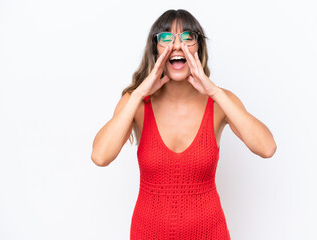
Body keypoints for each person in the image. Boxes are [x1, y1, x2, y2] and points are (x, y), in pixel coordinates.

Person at [91, 9, 277, 240]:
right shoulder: (136, 103)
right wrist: (138, 93)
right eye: (166, 38)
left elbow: (267, 148)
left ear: (198, 47)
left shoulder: (219, 102)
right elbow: (100, 156)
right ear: (155, 49)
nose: (177, 46)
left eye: (187, 37)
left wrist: (215, 91)